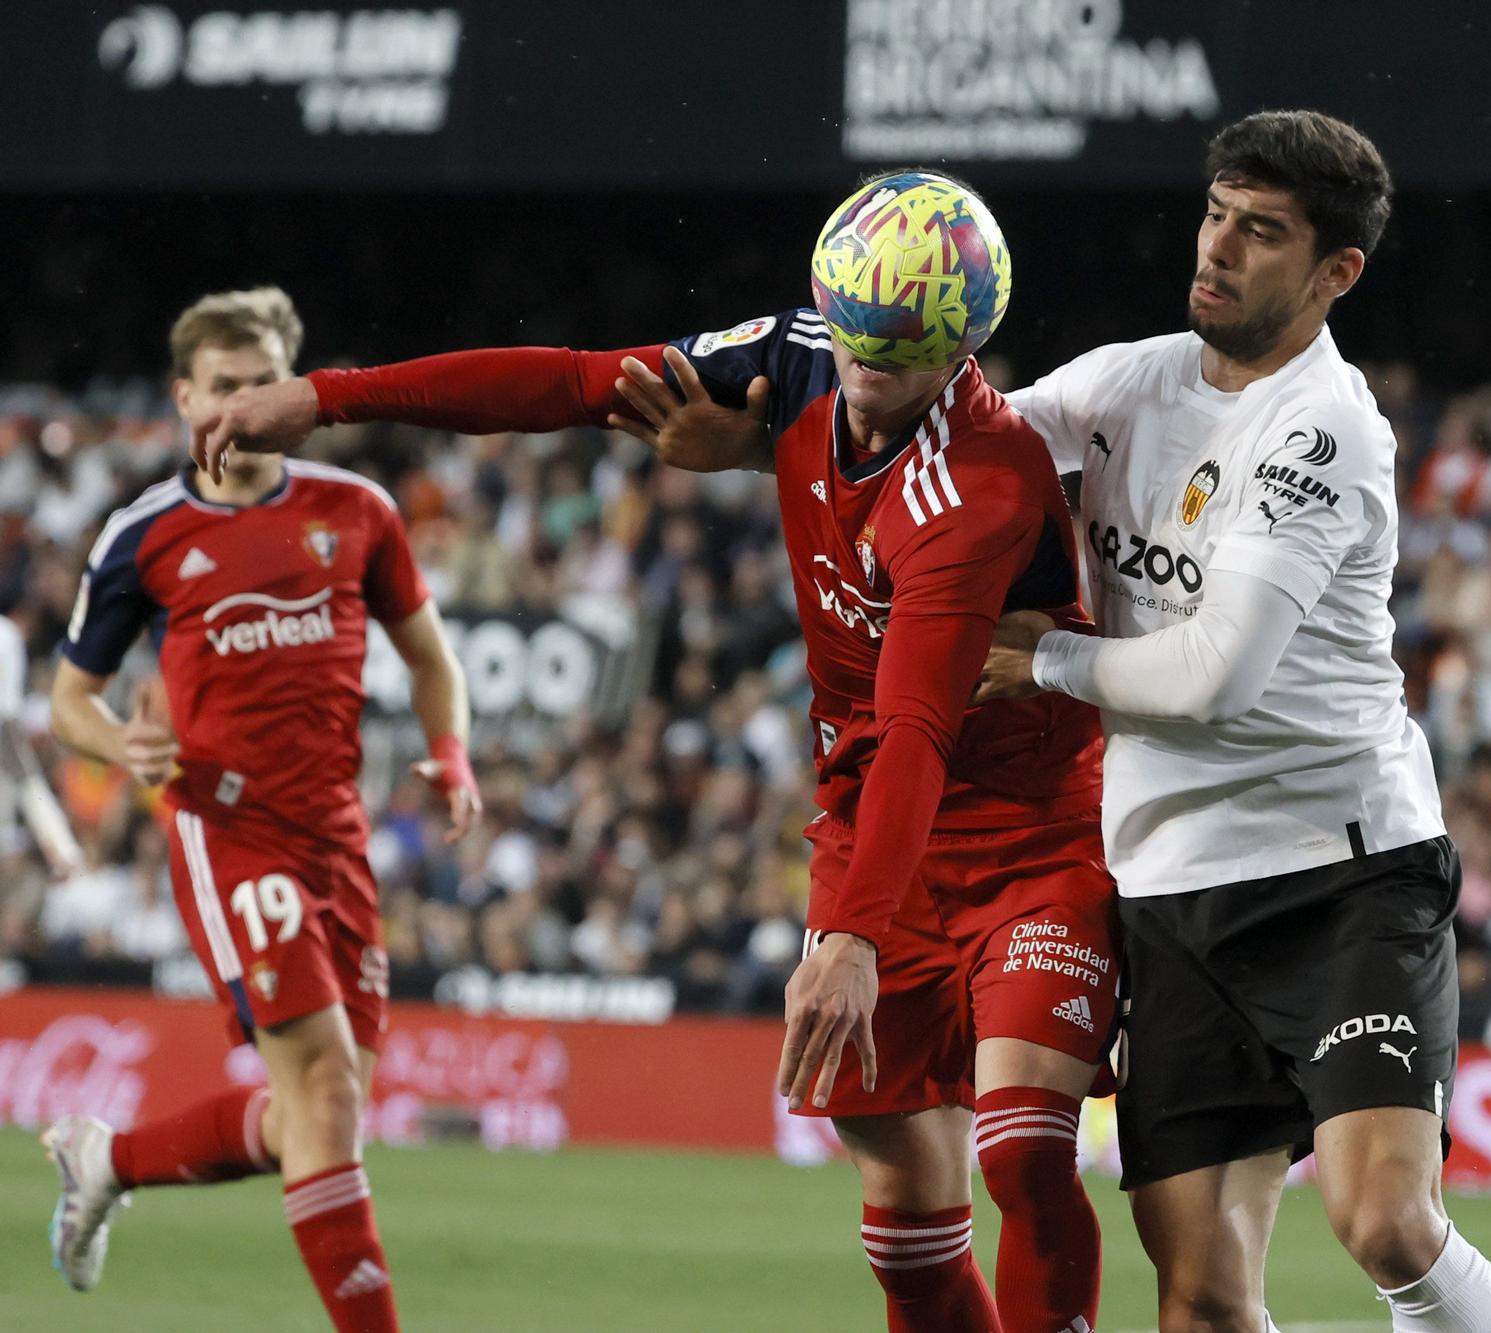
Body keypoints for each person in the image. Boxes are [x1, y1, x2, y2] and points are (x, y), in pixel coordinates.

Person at [578, 113, 1491, 1333]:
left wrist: (1047, 659)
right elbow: (960, 453)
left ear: (1335, 271)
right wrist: (763, 445)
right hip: (1170, 894)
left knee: (1383, 1221)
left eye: (1263, 232)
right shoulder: (1129, 380)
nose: (1219, 248)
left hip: (1339, 875)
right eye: (1215, 214)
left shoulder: (1320, 431)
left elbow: (1212, 676)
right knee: (1200, 1302)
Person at [188, 175, 1118, 1333]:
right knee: (904, 1211)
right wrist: (326, 399)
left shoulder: (981, 484)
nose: (864, 378)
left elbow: (920, 725)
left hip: (1030, 836)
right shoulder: (800, 356)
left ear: (962, 348)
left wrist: (843, 942)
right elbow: (573, 383)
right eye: (852, 345)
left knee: (1025, 1149)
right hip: (866, 829)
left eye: (897, 357)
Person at [43, 286, 479, 1333]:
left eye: (259, 385)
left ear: (288, 392)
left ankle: (108, 1157)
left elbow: (429, 656)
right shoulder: (143, 535)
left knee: (315, 1120)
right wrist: (122, 742)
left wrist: (453, 754)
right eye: (220, 387)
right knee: (324, 1090)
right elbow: (69, 701)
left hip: (337, 833)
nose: (239, 404)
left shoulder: (356, 511)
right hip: (224, 825)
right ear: (183, 396)